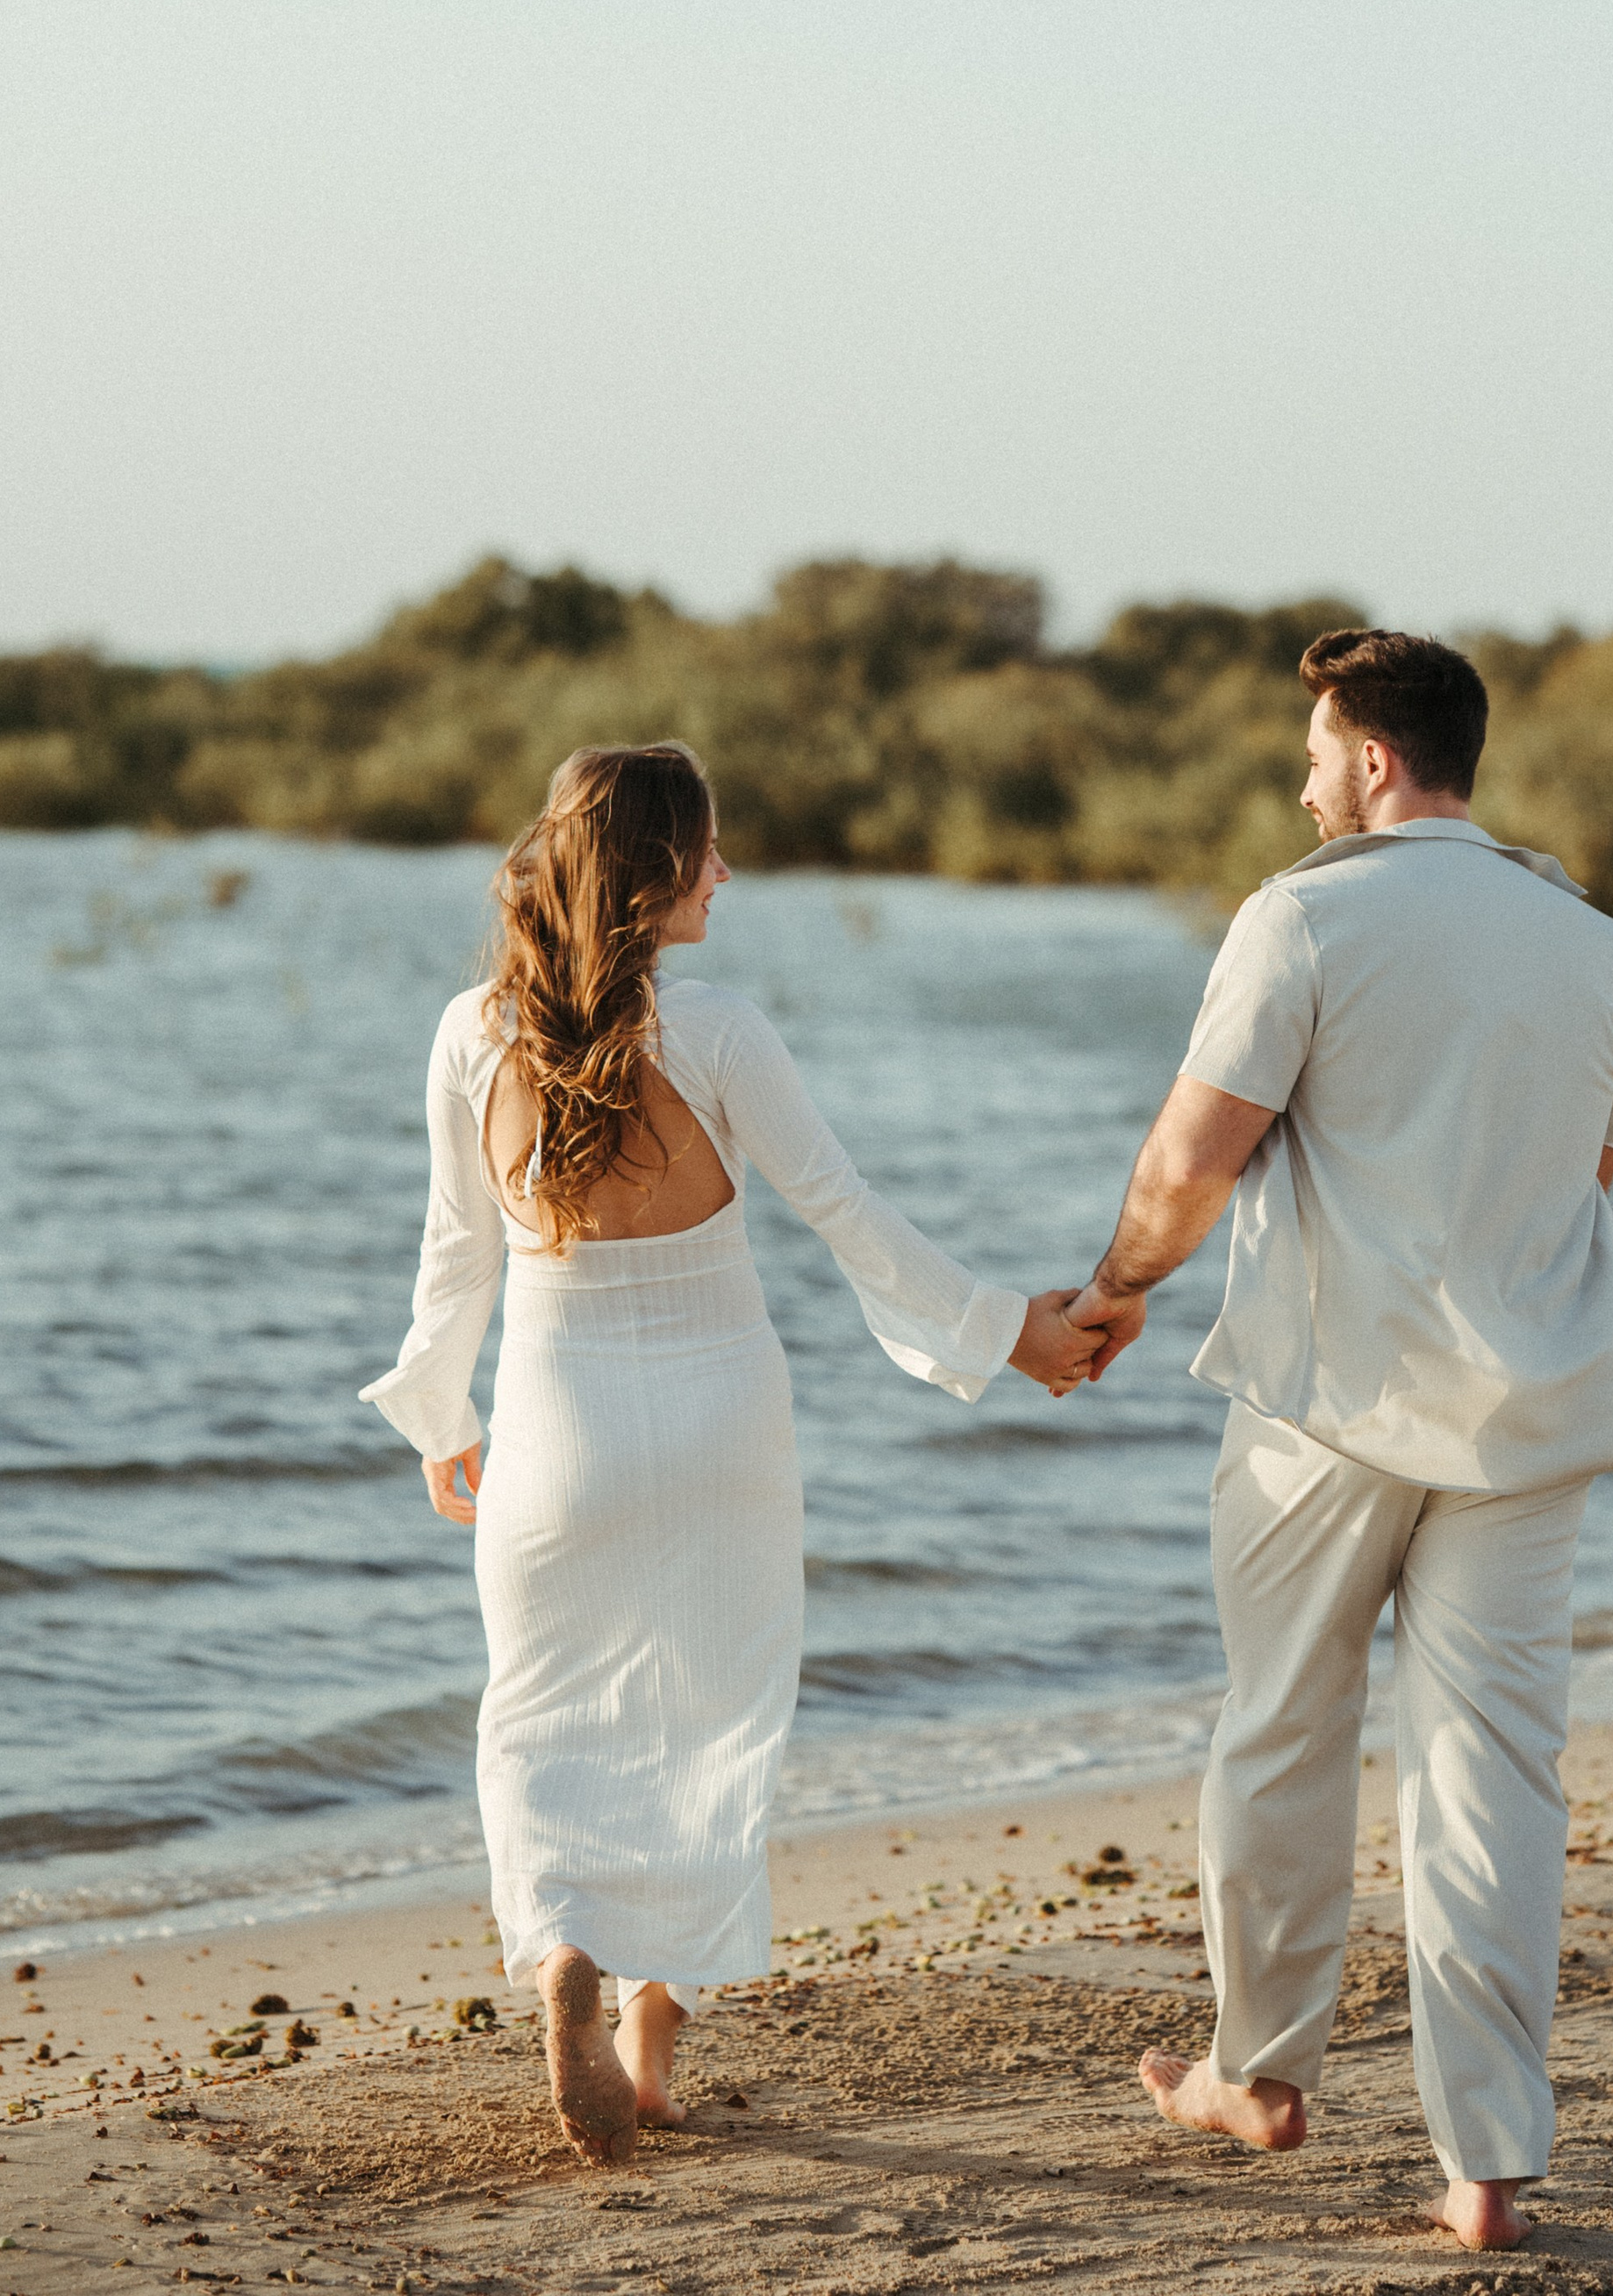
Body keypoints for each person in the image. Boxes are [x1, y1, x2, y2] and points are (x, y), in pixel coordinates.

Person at [1065, 629, 1613, 2253]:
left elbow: (1188, 1156)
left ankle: (1259, 2074)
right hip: (1534, 1407)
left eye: (1314, 753)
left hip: (1329, 1406)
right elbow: (1591, 1184)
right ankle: (1485, 2170)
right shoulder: (1595, 944)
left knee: (1283, 1725)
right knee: (1496, 1773)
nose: (1300, 783)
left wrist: (1111, 1293)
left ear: (1375, 760)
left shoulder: (1302, 915)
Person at [362, 740, 1100, 2164]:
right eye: (708, 851)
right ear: (655, 872)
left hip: (553, 1435)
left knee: (543, 1711)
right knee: (707, 1719)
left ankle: (562, 1942)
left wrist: (442, 1420)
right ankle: (648, 2058)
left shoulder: (471, 1032)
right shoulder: (715, 1030)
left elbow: (454, 1259)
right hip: (721, 1428)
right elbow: (848, 1214)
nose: (727, 874)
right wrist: (1013, 1332)